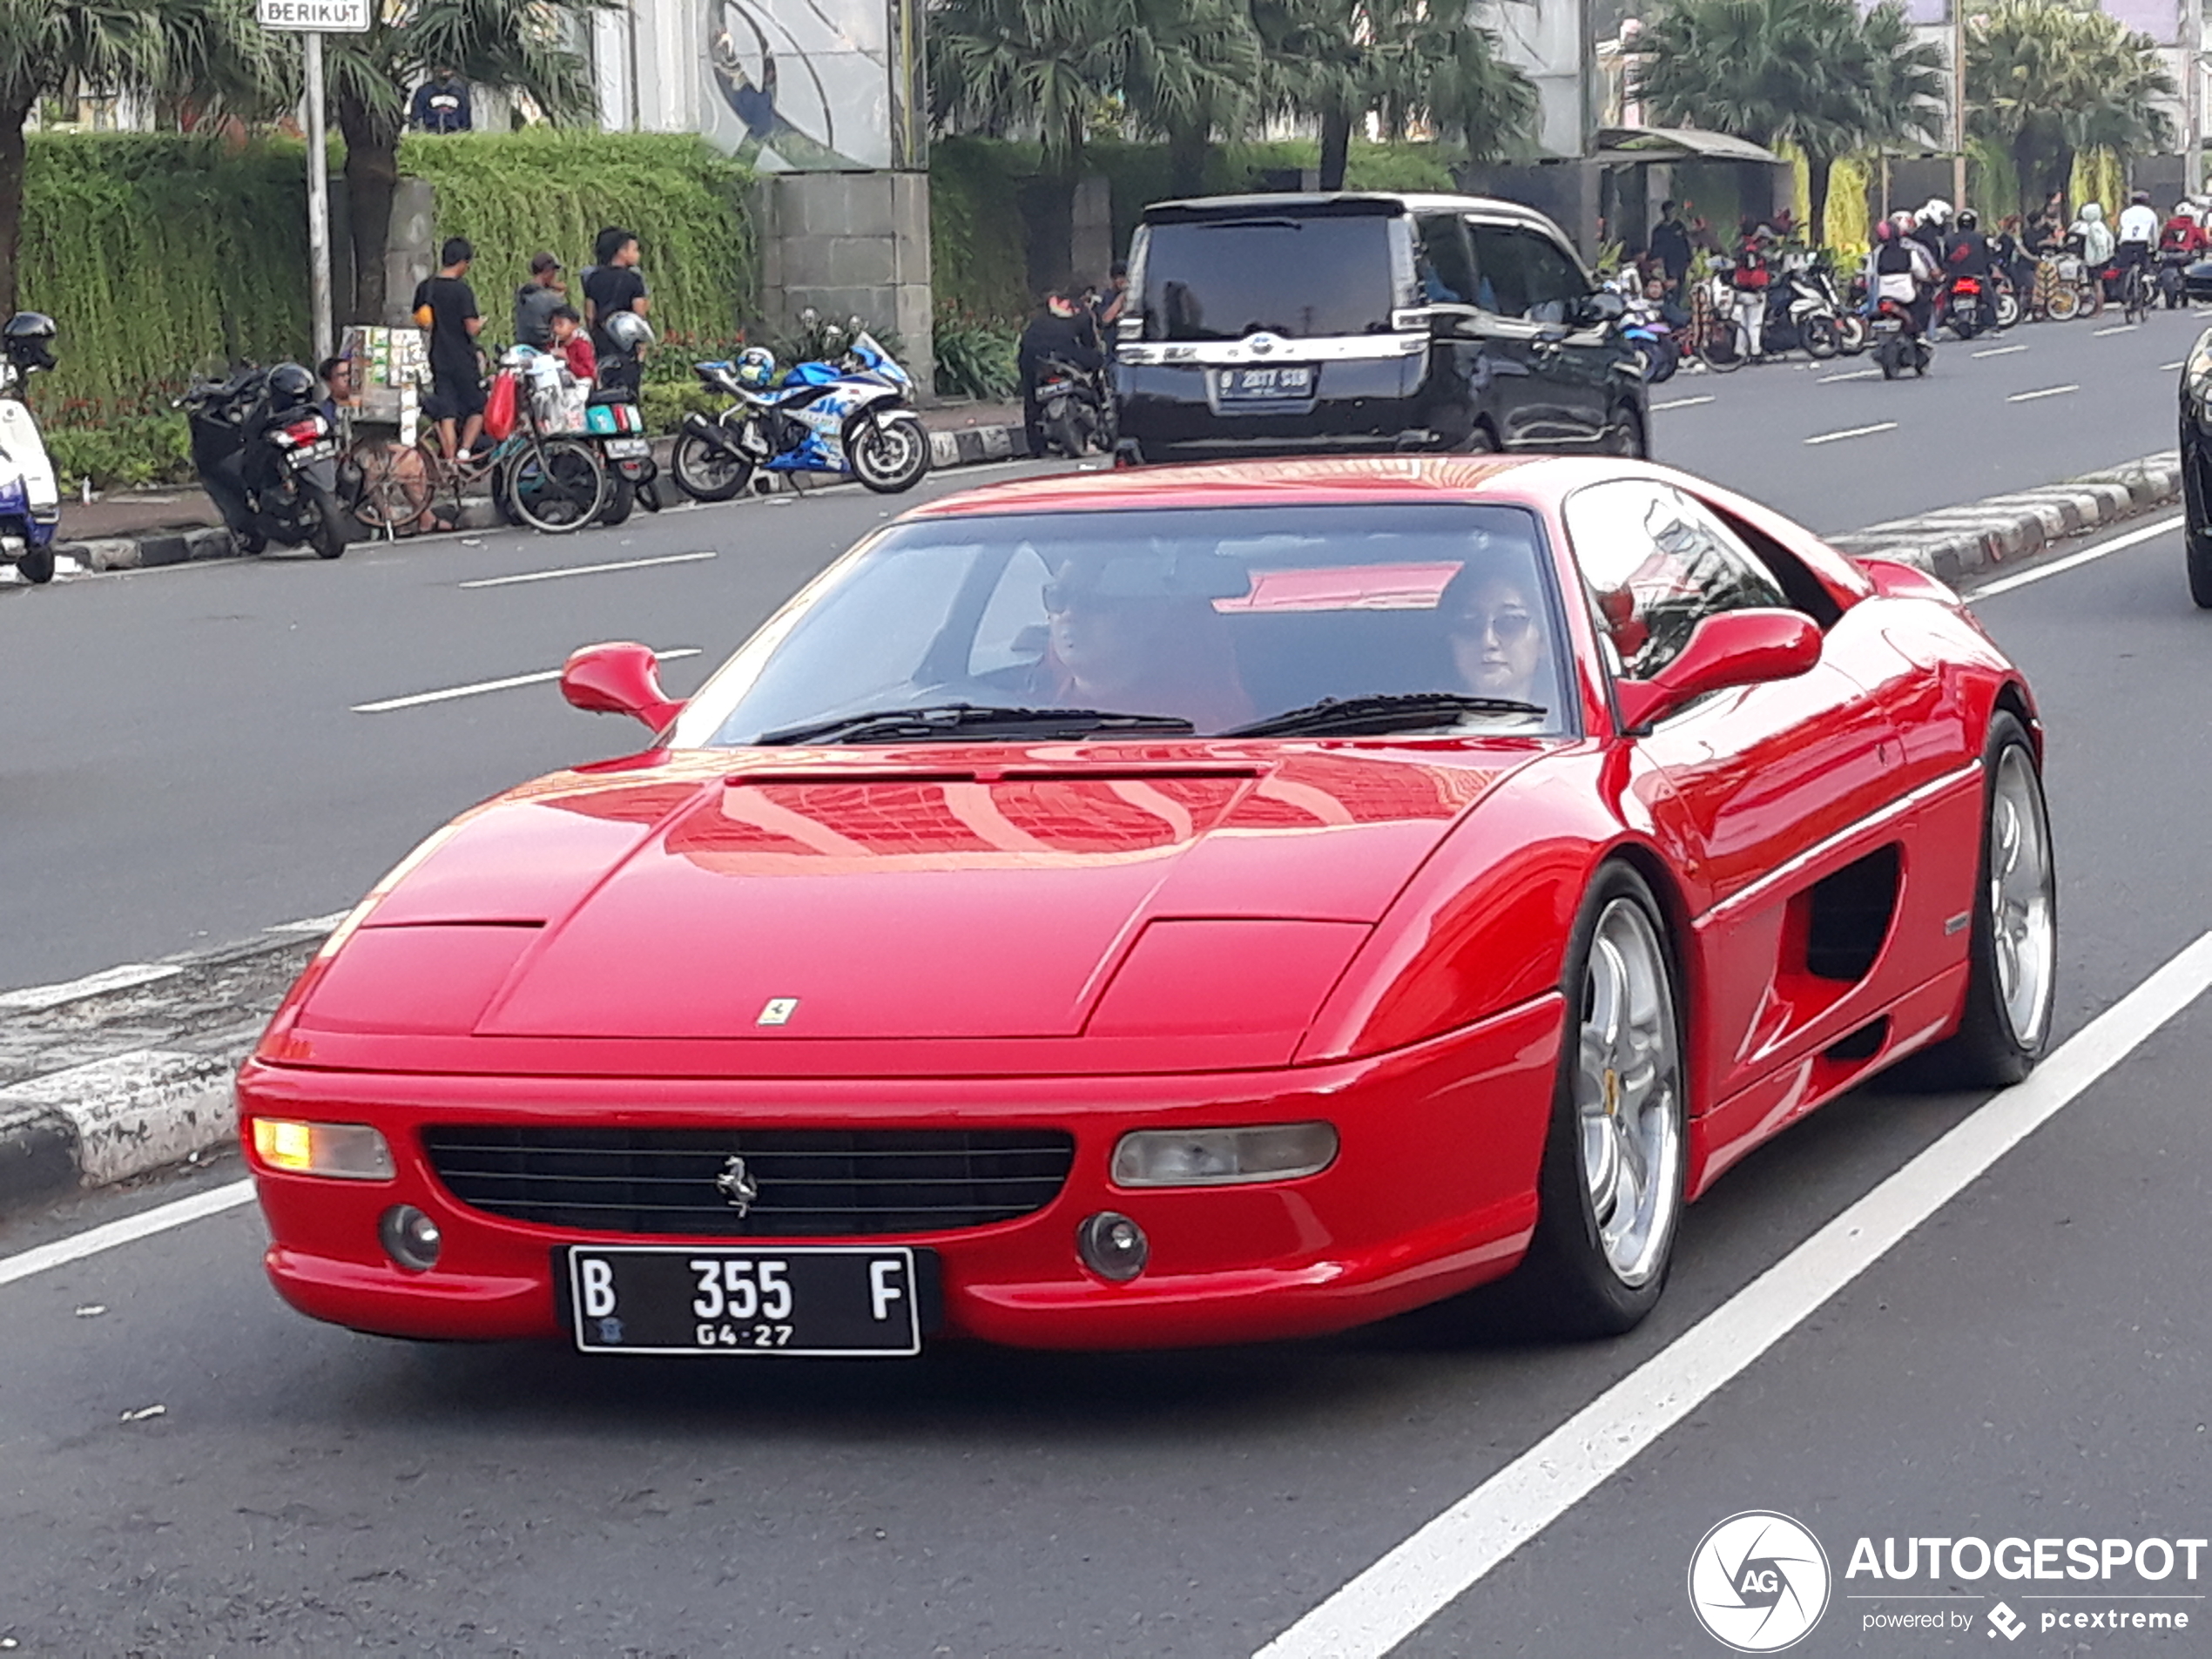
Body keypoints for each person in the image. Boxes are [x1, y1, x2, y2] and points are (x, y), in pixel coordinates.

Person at [1040, 553, 1253, 731]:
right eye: (1057, 597)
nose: (1068, 614)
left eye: (1092, 602)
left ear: (1147, 619)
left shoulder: (1195, 722)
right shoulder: (1020, 707)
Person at [1440, 556, 1551, 711]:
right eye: (1470, 625)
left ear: (1543, 640)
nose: (1488, 641)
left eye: (1509, 622)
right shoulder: (1417, 731)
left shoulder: (1582, 726)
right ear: (1451, 641)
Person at [411, 236, 484, 462]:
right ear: (462, 262)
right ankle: (464, 452)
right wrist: (482, 322)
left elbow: (421, 321)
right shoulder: (462, 291)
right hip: (462, 357)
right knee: (478, 407)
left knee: (447, 412)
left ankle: (449, 462)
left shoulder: (427, 287)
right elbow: (471, 329)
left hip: (438, 357)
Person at [1016, 290, 1103, 458]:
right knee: (1097, 362)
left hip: (1032, 353)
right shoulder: (1083, 311)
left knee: (1032, 399)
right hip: (1062, 353)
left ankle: (1037, 447)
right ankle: (1096, 418)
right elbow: (1090, 344)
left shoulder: (1046, 307)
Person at [583, 227, 650, 394]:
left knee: (605, 390)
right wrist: (642, 347)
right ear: (621, 252)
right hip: (626, 348)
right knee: (628, 392)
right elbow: (639, 316)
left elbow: (590, 314)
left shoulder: (593, 278)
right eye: (634, 249)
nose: (637, 254)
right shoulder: (634, 279)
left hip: (602, 343)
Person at [1728, 224, 1774, 361]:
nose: (1766, 244)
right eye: (1765, 240)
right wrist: (1759, 290)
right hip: (1753, 292)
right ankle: (1755, 351)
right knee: (1755, 322)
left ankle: (1740, 351)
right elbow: (1753, 272)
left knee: (1743, 323)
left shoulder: (1739, 247)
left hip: (1740, 291)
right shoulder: (1752, 252)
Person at [1944, 209, 1995, 331]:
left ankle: (1945, 319)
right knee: (1989, 298)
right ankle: (1993, 326)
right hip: (1977, 275)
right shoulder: (1981, 238)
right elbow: (1988, 257)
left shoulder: (1949, 239)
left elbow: (1945, 259)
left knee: (1946, 296)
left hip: (1955, 276)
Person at [512, 252, 566, 350]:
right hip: (544, 348)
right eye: (554, 272)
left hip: (521, 346)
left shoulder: (521, 293)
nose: (555, 276)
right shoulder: (552, 299)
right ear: (547, 271)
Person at [2115, 189, 2159, 297]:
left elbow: (2119, 230)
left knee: (2124, 270)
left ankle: (2124, 292)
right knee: (2145, 268)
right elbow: (2154, 233)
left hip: (2125, 243)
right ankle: (2146, 291)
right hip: (2142, 243)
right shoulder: (2150, 213)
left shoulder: (2125, 213)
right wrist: (2155, 248)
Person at [408, 66, 472, 133]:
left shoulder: (461, 91)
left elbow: (465, 117)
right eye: (440, 66)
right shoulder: (424, 91)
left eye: (448, 67)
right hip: (430, 133)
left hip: (454, 134)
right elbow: (417, 116)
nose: (444, 70)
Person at [1649, 199, 1691, 291]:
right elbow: (1655, 249)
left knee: (1681, 285)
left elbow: (1686, 242)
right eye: (1669, 211)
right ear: (1664, 212)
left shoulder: (1679, 226)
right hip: (1667, 263)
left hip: (1681, 261)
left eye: (1673, 211)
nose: (1671, 214)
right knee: (1669, 285)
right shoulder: (1659, 230)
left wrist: (1689, 258)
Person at [549, 306, 596, 383]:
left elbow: (589, 373)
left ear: (574, 325)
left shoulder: (582, 346)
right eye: (553, 325)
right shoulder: (552, 345)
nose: (555, 329)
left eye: (560, 324)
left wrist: (568, 360)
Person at [2071, 201, 2114, 265]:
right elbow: (2101, 243)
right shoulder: (2095, 226)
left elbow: (2101, 244)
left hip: (2097, 262)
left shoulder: (2095, 226)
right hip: (2099, 261)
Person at [1095, 260, 1130, 332]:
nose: (1122, 280)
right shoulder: (1107, 296)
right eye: (1118, 277)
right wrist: (1122, 296)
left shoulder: (1136, 295)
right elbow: (1106, 319)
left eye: (1124, 277)